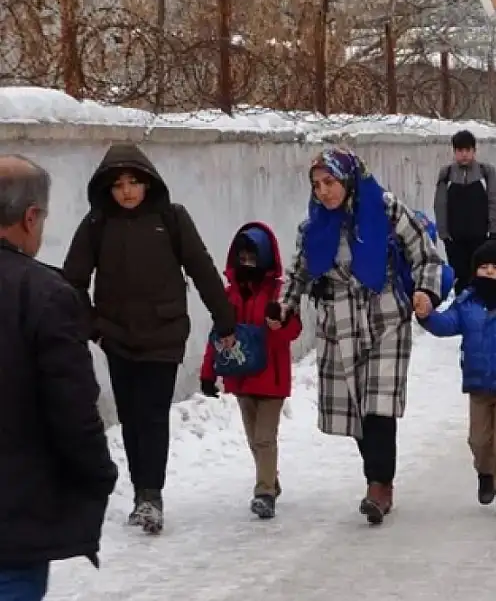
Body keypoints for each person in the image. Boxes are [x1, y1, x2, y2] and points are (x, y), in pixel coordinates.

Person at [62, 143, 235, 535]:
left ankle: (150, 496)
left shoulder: (171, 219)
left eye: (134, 182)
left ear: (148, 182)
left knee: (153, 416)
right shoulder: (96, 224)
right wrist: (95, 327)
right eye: (119, 184)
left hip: (164, 333)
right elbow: (72, 281)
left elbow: (202, 268)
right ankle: (143, 491)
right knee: (130, 417)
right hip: (118, 336)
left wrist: (225, 319)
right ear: (107, 189)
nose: (126, 191)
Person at [279, 148, 447, 525]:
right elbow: (299, 273)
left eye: (331, 182)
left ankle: (378, 486)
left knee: (378, 403)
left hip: (385, 315)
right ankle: (378, 475)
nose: (324, 191)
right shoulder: (314, 226)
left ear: (349, 178)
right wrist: (284, 306)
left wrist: (426, 292)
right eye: (317, 185)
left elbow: (426, 253)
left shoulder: (384, 209)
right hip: (338, 326)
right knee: (356, 409)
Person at [0, 156, 118, 601]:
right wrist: (96, 475)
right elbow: (72, 409)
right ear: (30, 217)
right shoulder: (44, 296)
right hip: (13, 522)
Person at [417, 239, 496, 517]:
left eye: (495, 267)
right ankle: (485, 473)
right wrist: (427, 316)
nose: (489, 272)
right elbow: (447, 324)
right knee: (479, 440)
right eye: (483, 267)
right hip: (478, 385)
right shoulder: (467, 303)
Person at [199, 223, 303, 520]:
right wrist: (209, 372)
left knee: (264, 438)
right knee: (253, 438)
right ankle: (270, 479)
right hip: (241, 376)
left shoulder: (280, 295)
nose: (248, 265)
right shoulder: (229, 296)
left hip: (271, 378)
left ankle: (264, 492)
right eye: (243, 259)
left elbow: (293, 331)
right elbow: (218, 335)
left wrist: (279, 324)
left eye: (253, 259)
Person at [434, 129, 496, 295]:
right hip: (456, 240)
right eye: (460, 151)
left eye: (467, 150)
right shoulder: (447, 174)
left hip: (482, 237)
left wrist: (494, 231)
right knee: (461, 281)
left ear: (474, 151)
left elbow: (495, 200)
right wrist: (444, 234)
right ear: (454, 152)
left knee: (482, 279)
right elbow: (440, 204)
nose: (464, 155)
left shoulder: (485, 173)